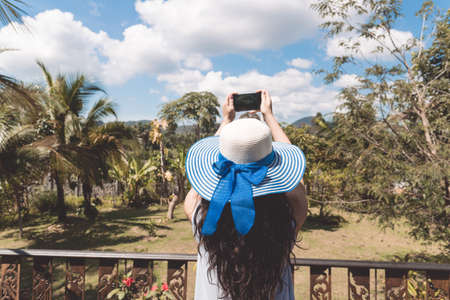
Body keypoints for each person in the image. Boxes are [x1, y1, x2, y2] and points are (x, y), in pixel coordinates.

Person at [184, 90, 307, 300]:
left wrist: (226, 120)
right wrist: (269, 116)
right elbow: (297, 185)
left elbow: (199, 185)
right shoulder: (283, 223)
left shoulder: (205, 221)